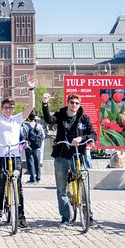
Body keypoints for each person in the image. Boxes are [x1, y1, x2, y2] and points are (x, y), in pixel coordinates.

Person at [0, 74, 35, 228]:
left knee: (18, 185)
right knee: (0, 186)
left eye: (11, 108)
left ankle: (21, 216)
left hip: (15, 156)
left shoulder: (17, 119)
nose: (8, 110)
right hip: (0, 155)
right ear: (2, 108)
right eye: (6, 108)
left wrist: (31, 88)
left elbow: (31, 106)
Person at [42, 92, 98, 226]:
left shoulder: (84, 118)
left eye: (77, 103)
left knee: (84, 186)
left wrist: (81, 138)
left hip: (78, 155)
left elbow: (93, 134)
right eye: (72, 102)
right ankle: (65, 218)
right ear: (68, 103)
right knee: (61, 189)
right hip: (62, 155)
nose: (74, 105)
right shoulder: (60, 115)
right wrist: (45, 104)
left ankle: (88, 216)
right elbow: (49, 120)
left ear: (79, 105)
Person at [22, 111, 45, 183]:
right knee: (37, 162)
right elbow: (43, 135)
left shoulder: (25, 125)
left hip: (28, 146)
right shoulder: (38, 125)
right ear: (35, 117)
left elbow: (23, 136)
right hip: (37, 146)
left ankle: (32, 179)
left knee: (30, 162)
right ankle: (38, 178)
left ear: (28, 117)